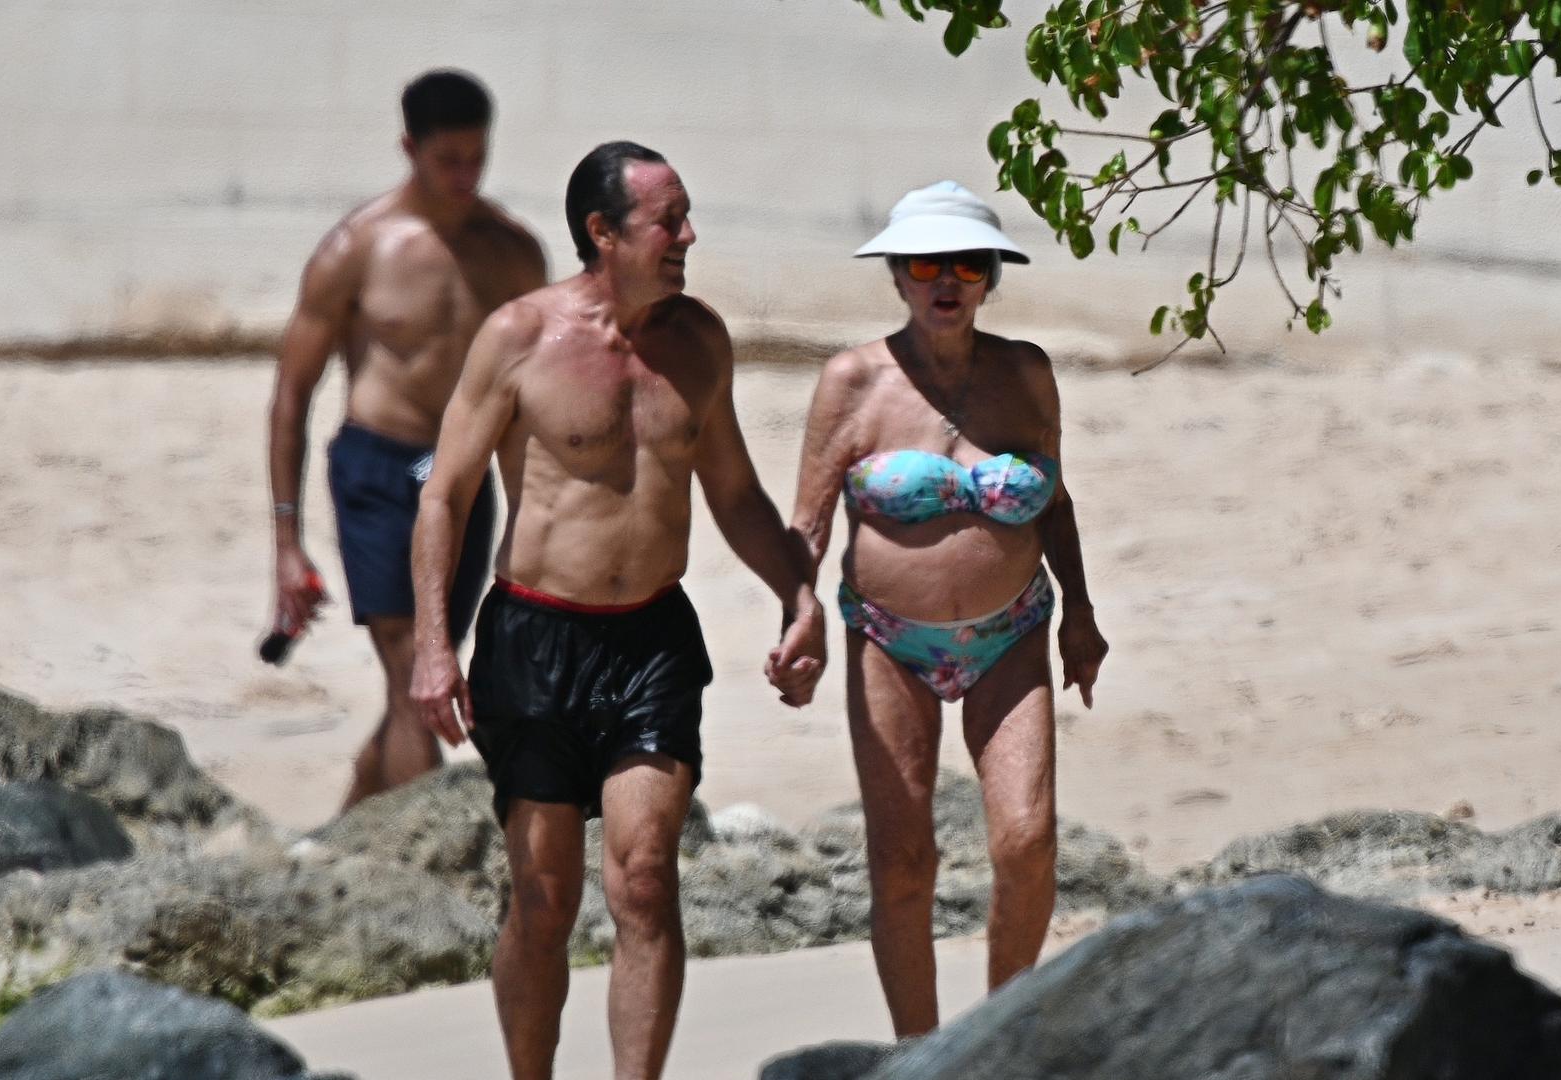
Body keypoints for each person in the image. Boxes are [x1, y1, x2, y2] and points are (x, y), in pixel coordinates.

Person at [408, 141, 826, 1080]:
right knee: (545, 899)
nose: (688, 236)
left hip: (650, 641)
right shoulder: (519, 337)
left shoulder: (699, 342)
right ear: (602, 232)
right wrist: (435, 646)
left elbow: (735, 494)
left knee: (643, 879)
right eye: (667, 221)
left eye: (686, 216)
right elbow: (446, 495)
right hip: (533, 640)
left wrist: (797, 596)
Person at [787, 181, 1109, 1037]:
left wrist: (1081, 613)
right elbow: (807, 524)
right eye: (926, 265)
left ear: (990, 277)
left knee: (1026, 839)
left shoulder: (1025, 373)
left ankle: (1002, 1036)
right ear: (897, 274)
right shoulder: (853, 381)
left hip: (1014, 632)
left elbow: (1056, 504)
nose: (947, 281)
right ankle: (919, 1055)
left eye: (968, 265)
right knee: (902, 861)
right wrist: (798, 616)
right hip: (889, 643)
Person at [266, 69, 547, 811]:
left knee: (428, 666)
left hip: (461, 473)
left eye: (476, 158)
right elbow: (292, 395)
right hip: (378, 467)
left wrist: (536, 513)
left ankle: (347, 827)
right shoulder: (357, 249)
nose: (464, 176)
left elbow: (535, 392)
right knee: (409, 666)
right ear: (409, 149)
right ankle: (420, 856)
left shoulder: (513, 252)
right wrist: (288, 542)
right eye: (447, 160)